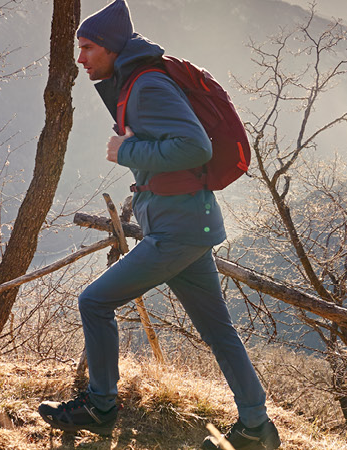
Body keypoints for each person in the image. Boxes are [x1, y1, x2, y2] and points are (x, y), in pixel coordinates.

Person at [36, 1, 281, 449]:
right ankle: (256, 428)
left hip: (177, 231)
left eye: (87, 47)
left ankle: (100, 407)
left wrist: (124, 151)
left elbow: (195, 147)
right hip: (186, 224)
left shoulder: (147, 85)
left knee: (94, 301)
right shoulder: (138, 79)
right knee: (218, 331)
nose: (81, 57)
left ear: (111, 48)